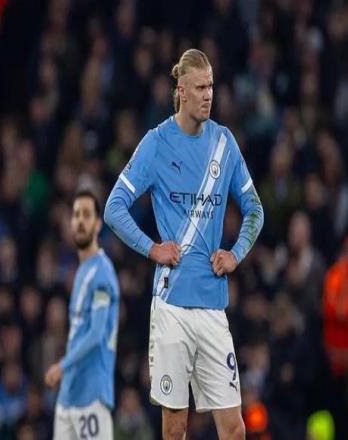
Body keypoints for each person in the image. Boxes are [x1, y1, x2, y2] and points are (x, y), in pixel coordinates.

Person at [104, 48, 264, 440]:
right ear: (181, 92)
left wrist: (236, 253)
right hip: (172, 305)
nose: (209, 95)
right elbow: (114, 208)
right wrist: (152, 248)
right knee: (175, 427)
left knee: (235, 429)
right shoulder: (157, 143)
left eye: (211, 86)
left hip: (212, 304)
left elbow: (255, 210)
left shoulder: (224, 143)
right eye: (200, 88)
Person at [45, 189, 120, 439]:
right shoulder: (81, 271)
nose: (79, 220)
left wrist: (62, 366)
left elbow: (97, 333)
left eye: (86, 215)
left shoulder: (102, 273)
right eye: (76, 215)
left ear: (98, 224)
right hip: (68, 397)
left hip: (92, 395)